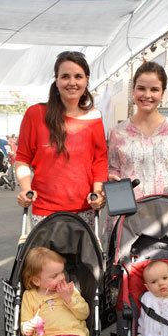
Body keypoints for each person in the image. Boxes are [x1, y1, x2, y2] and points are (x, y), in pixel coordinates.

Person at [15, 51, 108, 228]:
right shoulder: (36, 114)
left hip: (85, 210)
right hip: (45, 212)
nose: (72, 83)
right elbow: (22, 158)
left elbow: (100, 161)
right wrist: (26, 189)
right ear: (56, 80)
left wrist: (97, 193)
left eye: (78, 76)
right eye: (65, 76)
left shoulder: (95, 117)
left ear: (86, 80)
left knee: (84, 256)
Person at [108, 61, 168, 198]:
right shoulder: (118, 132)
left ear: (163, 93)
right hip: (128, 212)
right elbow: (114, 169)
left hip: (163, 210)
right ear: (133, 90)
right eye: (141, 88)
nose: (147, 95)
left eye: (154, 89)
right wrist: (113, 181)